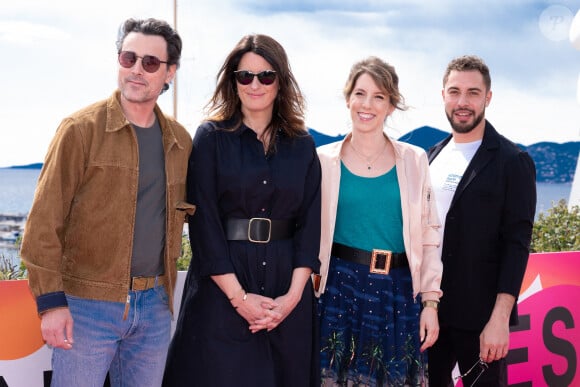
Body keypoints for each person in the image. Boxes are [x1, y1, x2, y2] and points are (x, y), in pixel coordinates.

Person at [20, 18, 193, 387]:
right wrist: (51, 304)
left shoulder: (180, 141)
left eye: (149, 63)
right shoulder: (80, 130)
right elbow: (42, 224)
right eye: (128, 57)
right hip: (86, 306)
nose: (135, 70)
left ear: (169, 73)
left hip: (155, 308)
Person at [162, 34, 322, 387]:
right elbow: (203, 226)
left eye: (266, 76)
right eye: (244, 75)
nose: (255, 84)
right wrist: (240, 298)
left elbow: (310, 227)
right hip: (222, 290)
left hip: (287, 296)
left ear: (280, 81)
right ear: (232, 81)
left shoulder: (303, 146)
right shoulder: (211, 137)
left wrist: (292, 298)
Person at [316, 56, 443, 386]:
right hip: (337, 291)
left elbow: (430, 235)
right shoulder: (322, 160)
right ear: (348, 99)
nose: (366, 104)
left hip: (397, 294)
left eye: (378, 96)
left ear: (391, 105)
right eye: (359, 93)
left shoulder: (414, 160)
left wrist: (430, 302)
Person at [427, 55, 536, 386]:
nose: (463, 102)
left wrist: (500, 319)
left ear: (488, 97)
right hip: (428, 313)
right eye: (455, 91)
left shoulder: (512, 160)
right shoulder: (429, 156)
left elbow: (517, 246)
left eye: (473, 92)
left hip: (480, 320)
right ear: (443, 95)